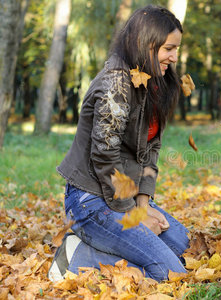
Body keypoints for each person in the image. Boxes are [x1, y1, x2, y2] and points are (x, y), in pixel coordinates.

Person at [48, 5, 189, 282]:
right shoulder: (117, 84)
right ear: (147, 44)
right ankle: (76, 259)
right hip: (91, 199)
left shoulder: (154, 85)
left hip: (123, 197)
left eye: (176, 49)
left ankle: (99, 247)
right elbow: (105, 158)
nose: (174, 57)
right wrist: (135, 213)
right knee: (170, 272)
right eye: (168, 49)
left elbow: (151, 151)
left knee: (180, 241)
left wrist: (144, 203)